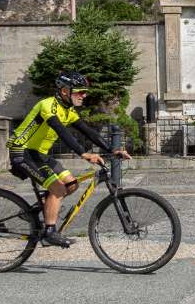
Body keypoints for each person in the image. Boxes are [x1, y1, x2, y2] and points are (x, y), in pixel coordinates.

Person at [7, 71, 130, 248]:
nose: (84, 95)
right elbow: (61, 131)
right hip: (22, 151)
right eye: (80, 92)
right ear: (65, 91)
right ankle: (50, 232)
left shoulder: (68, 111)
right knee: (57, 189)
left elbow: (87, 131)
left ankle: (36, 210)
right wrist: (83, 153)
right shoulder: (47, 105)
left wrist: (113, 150)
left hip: (39, 154)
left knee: (71, 184)